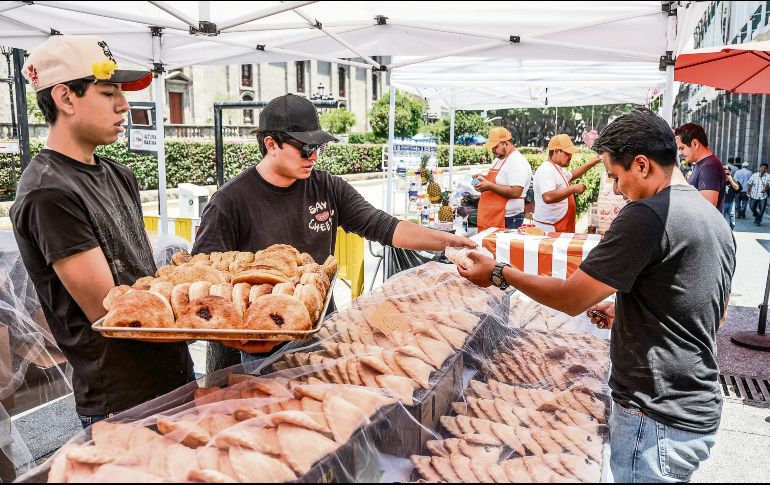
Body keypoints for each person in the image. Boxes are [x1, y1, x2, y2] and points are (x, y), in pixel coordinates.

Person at [457, 108, 735, 483]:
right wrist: (628, 311)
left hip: (655, 415)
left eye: (615, 177)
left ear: (641, 164)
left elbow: (572, 298)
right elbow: (711, 311)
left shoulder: (648, 215)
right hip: (695, 407)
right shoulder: (713, 217)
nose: (617, 189)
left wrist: (497, 272)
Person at [192, 93, 476, 358]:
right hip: (256, 340)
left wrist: (449, 242)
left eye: (319, 147)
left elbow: (383, 226)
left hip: (319, 324)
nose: (314, 156)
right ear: (271, 144)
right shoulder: (229, 202)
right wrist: (245, 339)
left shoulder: (327, 186)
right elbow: (204, 283)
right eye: (305, 148)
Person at [10, 36, 193, 428]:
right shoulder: (49, 191)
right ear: (65, 98)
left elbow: (144, 275)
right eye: (109, 92)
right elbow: (113, 310)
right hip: (121, 400)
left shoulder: (118, 174)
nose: (123, 105)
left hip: (173, 372)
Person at [532, 134, 601, 233]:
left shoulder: (557, 168)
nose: (570, 156)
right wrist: (573, 189)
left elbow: (571, 175)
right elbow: (548, 197)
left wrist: (591, 163)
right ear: (556, 151)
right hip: (550, 229)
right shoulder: (546, 170)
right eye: (567, 153)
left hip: (560, 226)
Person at [474, 127, 532, 231]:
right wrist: (484, 178)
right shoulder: (499, 158)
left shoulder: (517, 161)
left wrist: (489, 185)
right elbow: (501, 179)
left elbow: (516, 192)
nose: (493, 150)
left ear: (506, 143)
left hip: (508, 219)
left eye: (495, 146)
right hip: (492, 215)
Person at [675, 123, 725, 211]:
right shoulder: (705, 165)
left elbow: (707, 210)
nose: (681, 153)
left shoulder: (709, 167)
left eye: (682, 148)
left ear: (694, 143)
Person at [722, 165, 741, 230]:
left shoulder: (733, 179)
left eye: (728, 173)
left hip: (731, 202)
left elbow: (737, 188)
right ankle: (723, 230)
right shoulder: (719, 179)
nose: (726, 175)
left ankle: (731, 229)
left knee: (732, 217)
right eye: (725, 173)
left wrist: (731, 181)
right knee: (722, 217)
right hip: (722, 202)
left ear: (730, 173)